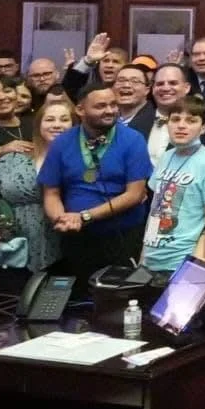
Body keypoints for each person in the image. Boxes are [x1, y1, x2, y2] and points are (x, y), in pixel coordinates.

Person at [38, 82, 153, 287]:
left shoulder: (133, 140)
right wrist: (61, 218)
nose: (110, 111)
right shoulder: (62, 142)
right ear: (80, 110)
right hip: (75, 236)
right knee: (77, 301)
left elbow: (135, 194)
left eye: (113, 105)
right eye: (100, 106)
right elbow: (51, 193)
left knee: (117, 301)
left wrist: (85, 216)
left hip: (121, 236)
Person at [0, 95, 70, 291]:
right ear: (38, 125)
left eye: (64, 119)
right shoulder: (14, 156)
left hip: (65, 251)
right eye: (50, 119)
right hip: (14, 250)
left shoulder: (83, 161)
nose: (57, 125)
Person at [141, 96, 205, 275]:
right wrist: (143, 258)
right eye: (175, 119)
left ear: (203, 128)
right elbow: (153, 211)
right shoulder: (166, 157)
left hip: (182, 262)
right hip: (151, 259)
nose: (181, 125)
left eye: (191, 121)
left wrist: (204, 271)